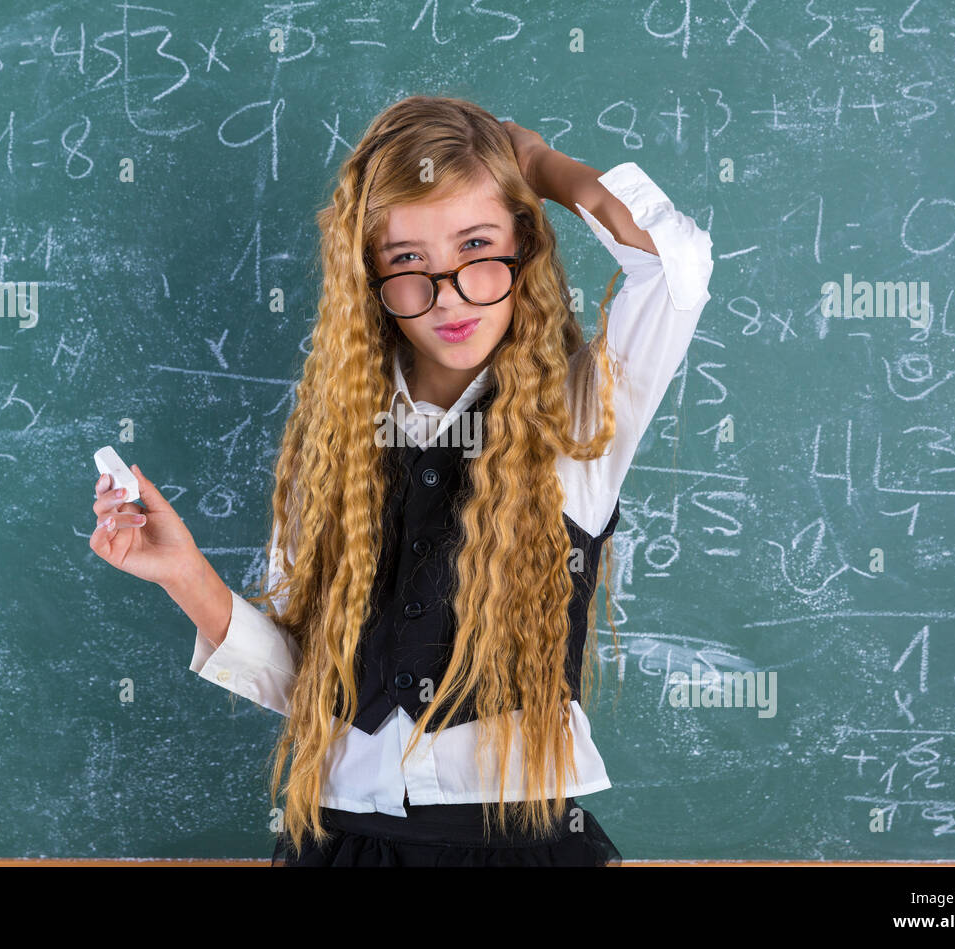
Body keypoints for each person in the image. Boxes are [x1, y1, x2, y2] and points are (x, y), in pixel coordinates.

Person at [89, 94, 714, 866]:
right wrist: (183, 573)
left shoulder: (577, 423)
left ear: (526, 246)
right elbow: (307, 683)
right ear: (372, 278)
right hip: (336, 842)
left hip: (511, 848)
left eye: (478, 246)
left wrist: (544, 168)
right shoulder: (333, 441)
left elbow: (675, 266)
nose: (447, 293)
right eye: (409, 263)